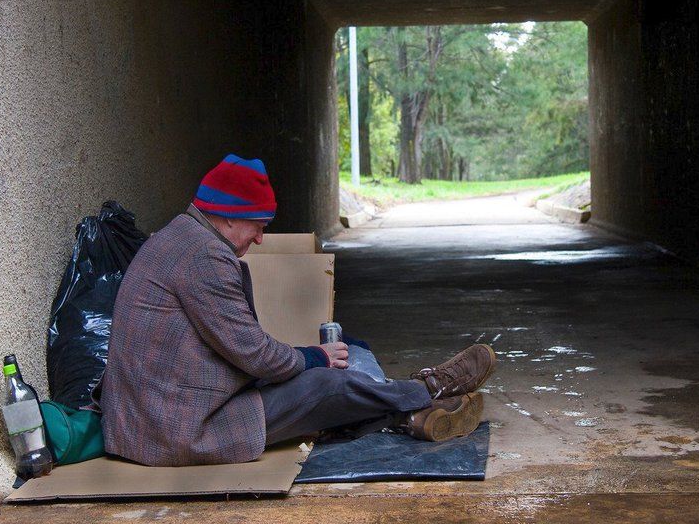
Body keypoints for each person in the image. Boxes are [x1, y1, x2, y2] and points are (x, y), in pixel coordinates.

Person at [99, 154, 497, 466]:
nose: (259, 238)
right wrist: (311, 357)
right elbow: (254, 355)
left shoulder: (177, 238)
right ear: (227, 217)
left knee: (345, 356)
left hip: (151, 421)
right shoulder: (204, 256)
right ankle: (428, 392)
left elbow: (239, 348)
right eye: (257, 225)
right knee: (326, 382)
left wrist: (307, 357)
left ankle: (409, 415)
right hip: (180, 430)